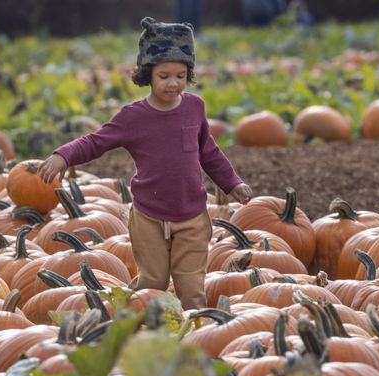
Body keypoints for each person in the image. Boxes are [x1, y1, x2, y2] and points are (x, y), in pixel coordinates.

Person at [38, 17, 253, 311]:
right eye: (164, 75)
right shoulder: (133, 117)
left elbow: (209, 152)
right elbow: (96, 141)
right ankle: (121, 316)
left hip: (191, 215)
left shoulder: (194, 107)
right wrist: (63, 154)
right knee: (153, 284)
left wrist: (233, 183)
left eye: (180, 74)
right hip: (149, 217)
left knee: (191, 289)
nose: (173, 83)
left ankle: (194, 341)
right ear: (147, 74)